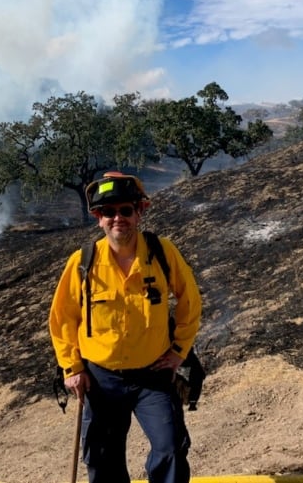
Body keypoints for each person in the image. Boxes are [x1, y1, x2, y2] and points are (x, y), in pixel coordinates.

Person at [49, 172, 202, 483]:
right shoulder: (83, 263)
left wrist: (178, 351)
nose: (118, 218)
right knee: (103, 459)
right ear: (98, 218)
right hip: (101, 379)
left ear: (140, 212)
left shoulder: (162, 252)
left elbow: (191, 302)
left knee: (170, 448)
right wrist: (71, 367)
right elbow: (63, 318)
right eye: (108, 212)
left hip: (154, 376)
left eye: (126, 210)